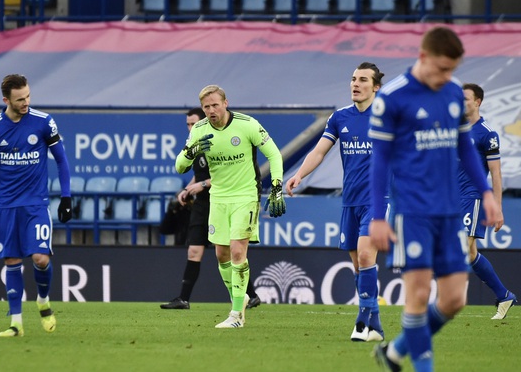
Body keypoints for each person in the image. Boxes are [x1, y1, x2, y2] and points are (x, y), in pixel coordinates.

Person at [368, 27, 500, 372]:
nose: (447, 78)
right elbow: (380, 160)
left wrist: (487, 194)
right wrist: (379, 216)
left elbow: (465, 147)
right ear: (423, 57)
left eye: (452, 71)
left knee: (455, 300)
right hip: (413, 213)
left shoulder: (451, 91)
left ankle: (394, 353)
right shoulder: (392, 98)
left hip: (450, 211)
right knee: (418, 296)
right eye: (442, 70)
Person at [285, 62, 385, 342]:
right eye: (353, 78)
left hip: (378, 200)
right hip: (350, 200)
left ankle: (361, 324)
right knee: (358, 266)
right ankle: (376, 325)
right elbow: (319, 151)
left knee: (366, 257)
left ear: (376, 86)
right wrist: (299, 175)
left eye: (363, 79)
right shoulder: (340, 117)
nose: (355, 83)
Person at [175, 85, 285, 328]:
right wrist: (191, 151)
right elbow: (179, 167)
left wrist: (276, 186)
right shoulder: (200, 131)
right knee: (221, 255)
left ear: (226, 102)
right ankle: (241, 296)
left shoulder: (247, 124)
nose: (212, 110)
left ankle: (236, 315)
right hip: (219, 198)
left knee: (237, 251)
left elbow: (274, 155)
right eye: (207, 107)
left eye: (215, 104)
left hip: (246, 195)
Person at [0, 74, 72, 337]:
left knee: (40, 259)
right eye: (20, 99)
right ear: (6, 100)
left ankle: (43, 300)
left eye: (28, 97)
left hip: (36, 204)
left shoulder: (43, 122)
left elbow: (62, 161)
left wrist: (66, 197)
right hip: (8, 206)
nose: (26, 102)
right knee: (11, 260)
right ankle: (16, 324)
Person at [161, 108, 262, 310]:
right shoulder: (197, 144)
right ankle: (183, 298)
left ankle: (249, 295)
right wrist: (189, 187)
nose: (190, 128)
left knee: (233, 253)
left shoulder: (220, 140)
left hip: (225, 200)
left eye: (193, 123)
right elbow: (196, 172)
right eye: (188, 125)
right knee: (194, 250)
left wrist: (203, 185)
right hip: (202, 204)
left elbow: (228, 175)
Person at [460, 83, 517, 319]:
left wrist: (497, 207)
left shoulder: (486, 134)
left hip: (472, 198)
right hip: (450, 199)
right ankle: (504, 295)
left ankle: (441, 301)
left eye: (465, 99)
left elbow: (496, 174)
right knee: (471, 253)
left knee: (461, 247)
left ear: (477, 102)